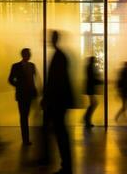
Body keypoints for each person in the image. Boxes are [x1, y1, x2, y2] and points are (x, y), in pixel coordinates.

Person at [41, 31, 74, 174]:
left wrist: (47, 98)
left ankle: (65, 165)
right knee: (57, 131)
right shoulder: (60, 55)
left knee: (59, 132)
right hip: (58, 101)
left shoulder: (58, 56)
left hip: (57, 102)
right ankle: (57, 161)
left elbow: (56, 81)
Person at [8, 48, 38, 146]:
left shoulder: (29, 66)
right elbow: (10, 79)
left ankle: (26, 139)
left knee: (24, 116)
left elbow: (11, 80)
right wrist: (19, 86)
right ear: (24, 55)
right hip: (23, 94)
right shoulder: (19, 66)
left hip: (27, 94)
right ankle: (25, 139)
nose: (29, 55)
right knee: (24, 116)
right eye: (28, 53)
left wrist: (19, 85)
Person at [83, 56, 102, 128]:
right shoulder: (90, 67)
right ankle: (87, 118)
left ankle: (87, 118)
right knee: (94, 104)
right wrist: (100, 81)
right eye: (94, 60)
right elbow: (92, 78)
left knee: (93, 104)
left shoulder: (89, 67)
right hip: (90, 89)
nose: (95, 61)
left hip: (90, 88)